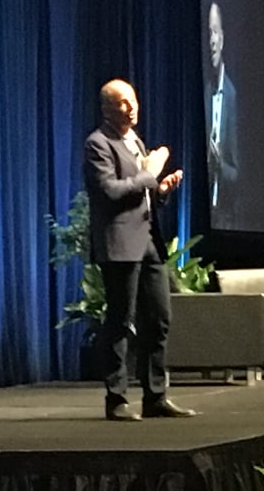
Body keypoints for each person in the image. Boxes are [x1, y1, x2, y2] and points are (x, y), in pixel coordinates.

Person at [83, 79, 195, 421]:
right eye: (122, 103)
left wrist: (160, 191)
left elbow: (140, 195)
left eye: (133, 101)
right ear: (107, 109)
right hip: (119, 244)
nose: (131, 108)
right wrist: (149, 175)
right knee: (120, 321)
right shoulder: (98, 144)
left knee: (159, 318)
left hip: (148, 241)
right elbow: (110, 192)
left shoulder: (134, 140)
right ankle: (116, 399)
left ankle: (155, 396)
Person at [205, 1, 239, 231]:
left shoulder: (232, 95)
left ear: (223, 39)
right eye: (209, 33)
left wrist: (219, 165)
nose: (212, 41)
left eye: (215, 32)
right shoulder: (205, 90)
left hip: (226, 219)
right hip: (206, 214)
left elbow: (238, 174)